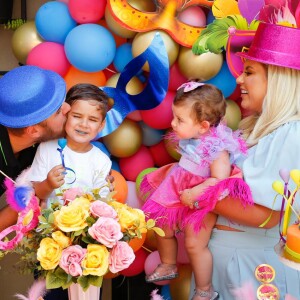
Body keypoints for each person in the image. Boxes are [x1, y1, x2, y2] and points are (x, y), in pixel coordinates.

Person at [188, 22, 300, 300]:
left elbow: (267, 215)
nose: (239, 80)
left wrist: (199, 191)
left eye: (249, 72)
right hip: (229, 258)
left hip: (254, 264)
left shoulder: (290, 133)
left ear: (277, 81)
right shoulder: (254, 132)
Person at [142, 82, 248, 300]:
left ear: (203, 126)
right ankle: (168, 264)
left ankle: (204, 289)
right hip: (179, 185)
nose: (172, 123)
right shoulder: (194, 137)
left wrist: (195, 191)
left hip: (202, 200)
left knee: (193, 244)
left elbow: (219, 180)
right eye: (174, 116)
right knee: (162, 224)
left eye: (179, 120)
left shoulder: (218, 149)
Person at [0, 65, 70, 232]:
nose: (68, 108)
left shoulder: (38, 138)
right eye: (59, 111)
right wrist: (25, 203)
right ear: (33, 130)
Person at [29, 83, 112, 205]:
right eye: (77, 116)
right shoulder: (46, 148)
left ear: (101, 125)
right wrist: (48, 184)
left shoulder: (102, 161)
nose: (84, 124)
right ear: (66, 115)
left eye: (93, 120)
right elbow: (37, 193)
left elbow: (101, 203)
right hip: (48, 222)